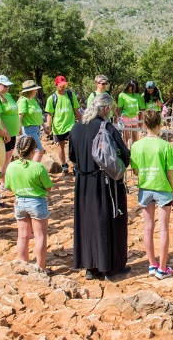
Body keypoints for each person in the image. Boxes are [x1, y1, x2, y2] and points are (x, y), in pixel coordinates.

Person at [69, 93, 131, 281]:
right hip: (104, 184)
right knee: (108, 222)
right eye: (110, 108)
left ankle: (90, 267)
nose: (111, 111)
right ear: (104, 109)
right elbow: (125, 156)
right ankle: (110, 267)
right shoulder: (106, 127)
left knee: (86, 223)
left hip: (82, 183)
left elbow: (72, 156)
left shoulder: (76, 128)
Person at [130, 109, 173, 279]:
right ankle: (163, 267)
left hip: (145, 187)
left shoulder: (137, 146)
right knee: (163, 229)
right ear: (160, 125)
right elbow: (171, 172)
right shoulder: (165, 146)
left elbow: (135, 171)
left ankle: (152, 264)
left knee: (148, 228)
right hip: (163, 188)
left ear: (144, 125)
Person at [7, 135, 53, 271]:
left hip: (19, 201)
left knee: (22, 236)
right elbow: (48, 187)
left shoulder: (12, 166)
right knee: (40, 236)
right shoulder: (38, 167)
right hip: (37, 202)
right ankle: (41, 267)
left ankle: (24, 266)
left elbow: (9, 186)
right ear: (33, 149)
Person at [45, 75, 81, 174]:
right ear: (56, 85)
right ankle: (64, 165)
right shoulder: (52, 98)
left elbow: (76, 110)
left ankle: (75, 166)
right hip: (58, 126)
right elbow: (49, 114)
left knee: (73, 145)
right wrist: (48, 127)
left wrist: (83, 122)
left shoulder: (70, 95)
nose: (63, 86)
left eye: (64, 84)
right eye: (61, 85)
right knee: (60, 145)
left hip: (71, 125)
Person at [0, 75, 20, 188]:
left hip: (13, 132)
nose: (7, 88)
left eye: (8, 86)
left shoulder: (8, 96)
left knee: (8, 157)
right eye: (5, 86)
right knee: (4, 158)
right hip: (5, 133)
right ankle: (2, 182)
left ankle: (5, 179)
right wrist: (5, 132)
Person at [17, 80, 46, 162]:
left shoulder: (33, 100)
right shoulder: (23, 100)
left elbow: (38, 115)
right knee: (39, 151)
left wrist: (44, 126)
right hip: (28, 129)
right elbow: (20, 115)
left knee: (32, 151)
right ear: (30, 91)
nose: (36, 91)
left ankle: (29, 169)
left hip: (37, 128)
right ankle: (33, 171)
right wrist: (18, 128)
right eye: (35, 89)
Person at [116, 80, 144, 147]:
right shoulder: (122, 95)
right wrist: (118, 118)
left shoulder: (137, 95)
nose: (134, 90)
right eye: (132, 88)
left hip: (135, 116)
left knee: (135, 135)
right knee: (126, 136)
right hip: (126, 117)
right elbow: (120, 107)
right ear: (128, 87)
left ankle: (135, 150)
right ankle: (126, 151)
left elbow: (141, 107)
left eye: (135, 88)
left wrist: (141, 119)